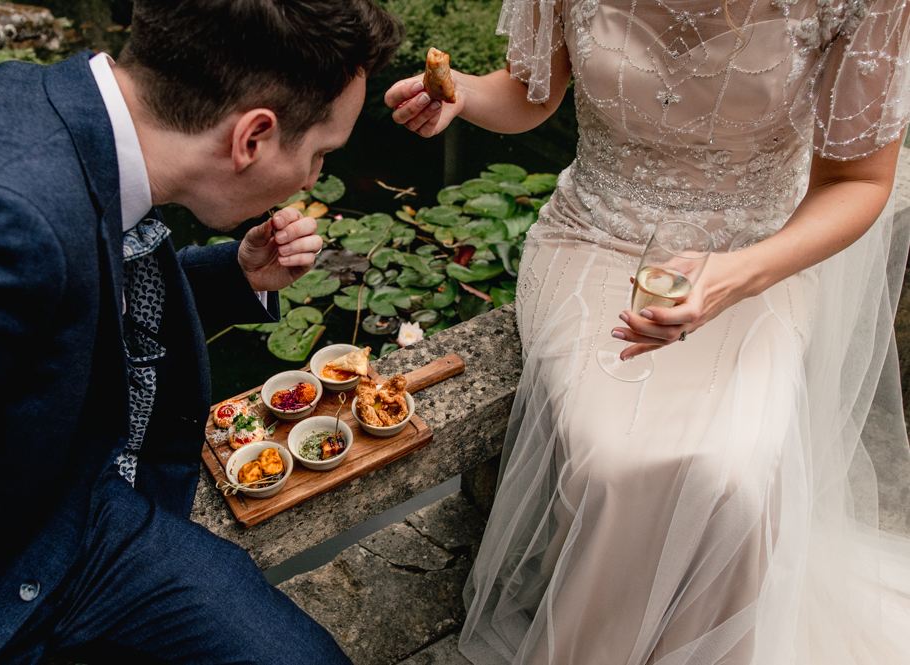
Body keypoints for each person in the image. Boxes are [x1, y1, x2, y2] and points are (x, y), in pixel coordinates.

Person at [387, 0, 910, 662]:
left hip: (758, 253)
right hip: (597, 234)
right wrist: (462, 94)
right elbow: (529, 93)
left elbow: (858, 180)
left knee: (737, 476)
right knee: (609, 460)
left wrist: (737, 274)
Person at [0, 0, 402, 662]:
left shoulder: (63, 115)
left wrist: (237, 274)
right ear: (252, 138)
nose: (313, 179)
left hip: (78, 513)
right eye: (319, 154)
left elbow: (72, 298)